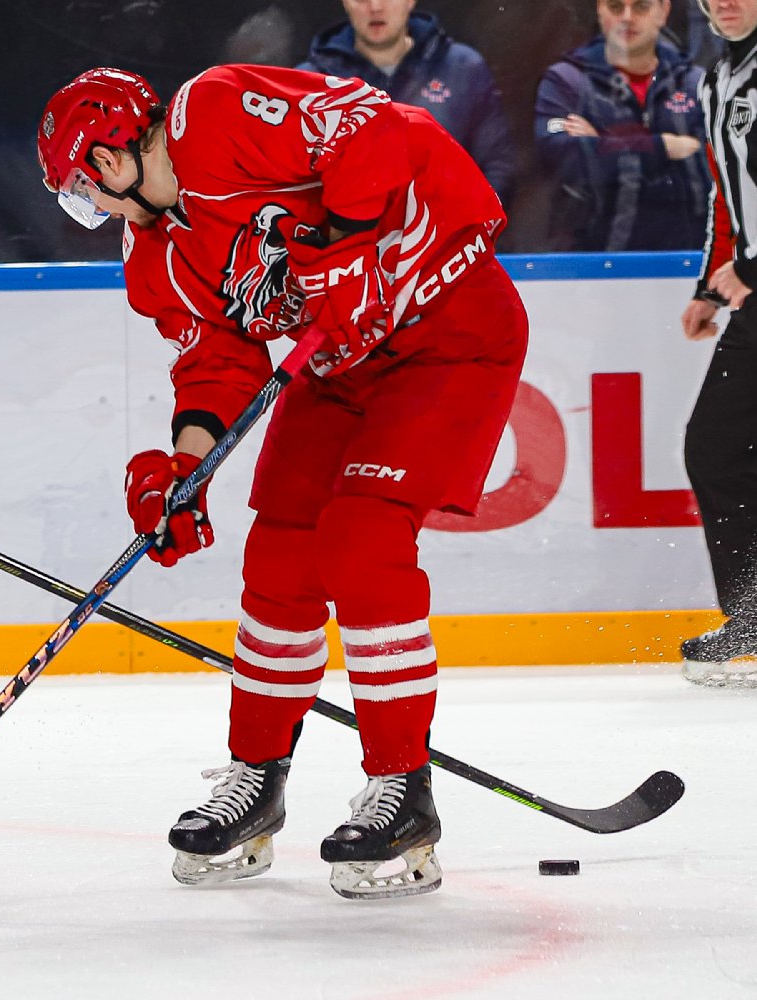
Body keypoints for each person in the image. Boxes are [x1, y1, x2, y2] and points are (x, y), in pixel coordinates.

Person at [38, 65, 527, 899]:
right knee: (278, 561)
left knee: (362, 539)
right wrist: (184, 470)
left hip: (447, 332)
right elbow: (215, 362)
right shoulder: (155, 257)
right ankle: (255, 779)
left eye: (85, 189)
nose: (95, 207)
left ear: (109, 160)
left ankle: (403, 788)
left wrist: (350, 240)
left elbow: (377, 127)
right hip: (339, 368)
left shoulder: (216, 111)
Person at [678, 0, 757, 686]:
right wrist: (712, 284)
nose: (726, 2)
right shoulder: (717, 79)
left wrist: (751, 268)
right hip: (752, 301)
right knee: (716, 448)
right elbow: (728, 192)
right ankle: (752, 615)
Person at [297, 1, 516, 205]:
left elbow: (497, 166)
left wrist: (463, 224)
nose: (375, 7)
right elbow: (292, 182)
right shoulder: (309, 84)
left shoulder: (463, 68)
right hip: (348, 230)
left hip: (445, 227)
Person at [535, 0, 711, 251]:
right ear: (600, 10)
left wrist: (602, 143)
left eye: (641, 7)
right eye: (616, 7)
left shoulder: (696, 84)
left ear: (663, 12)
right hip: (590, 261)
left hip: (688, 259)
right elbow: (563, 158)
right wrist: (662, 147)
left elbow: (716, 169)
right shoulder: (567, 81)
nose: (627, 18)